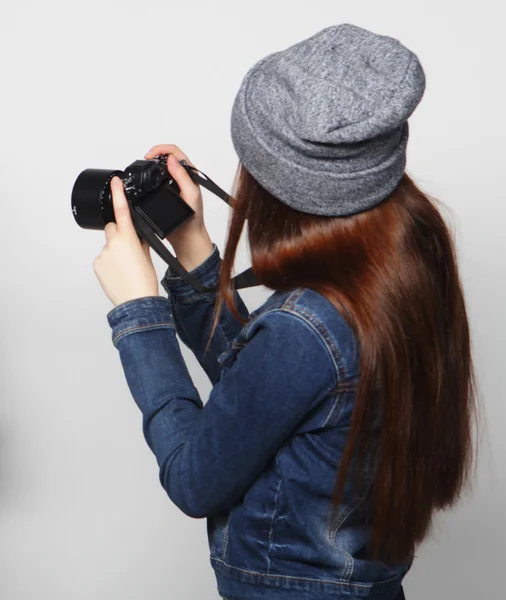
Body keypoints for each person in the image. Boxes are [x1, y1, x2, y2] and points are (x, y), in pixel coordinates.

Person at [93, 24, 476, 600]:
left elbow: (195, 480)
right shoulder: (408, 262)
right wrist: (193, 247)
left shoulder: (307, 324)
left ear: (279, 182)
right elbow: (268, 396)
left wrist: (140, 314)